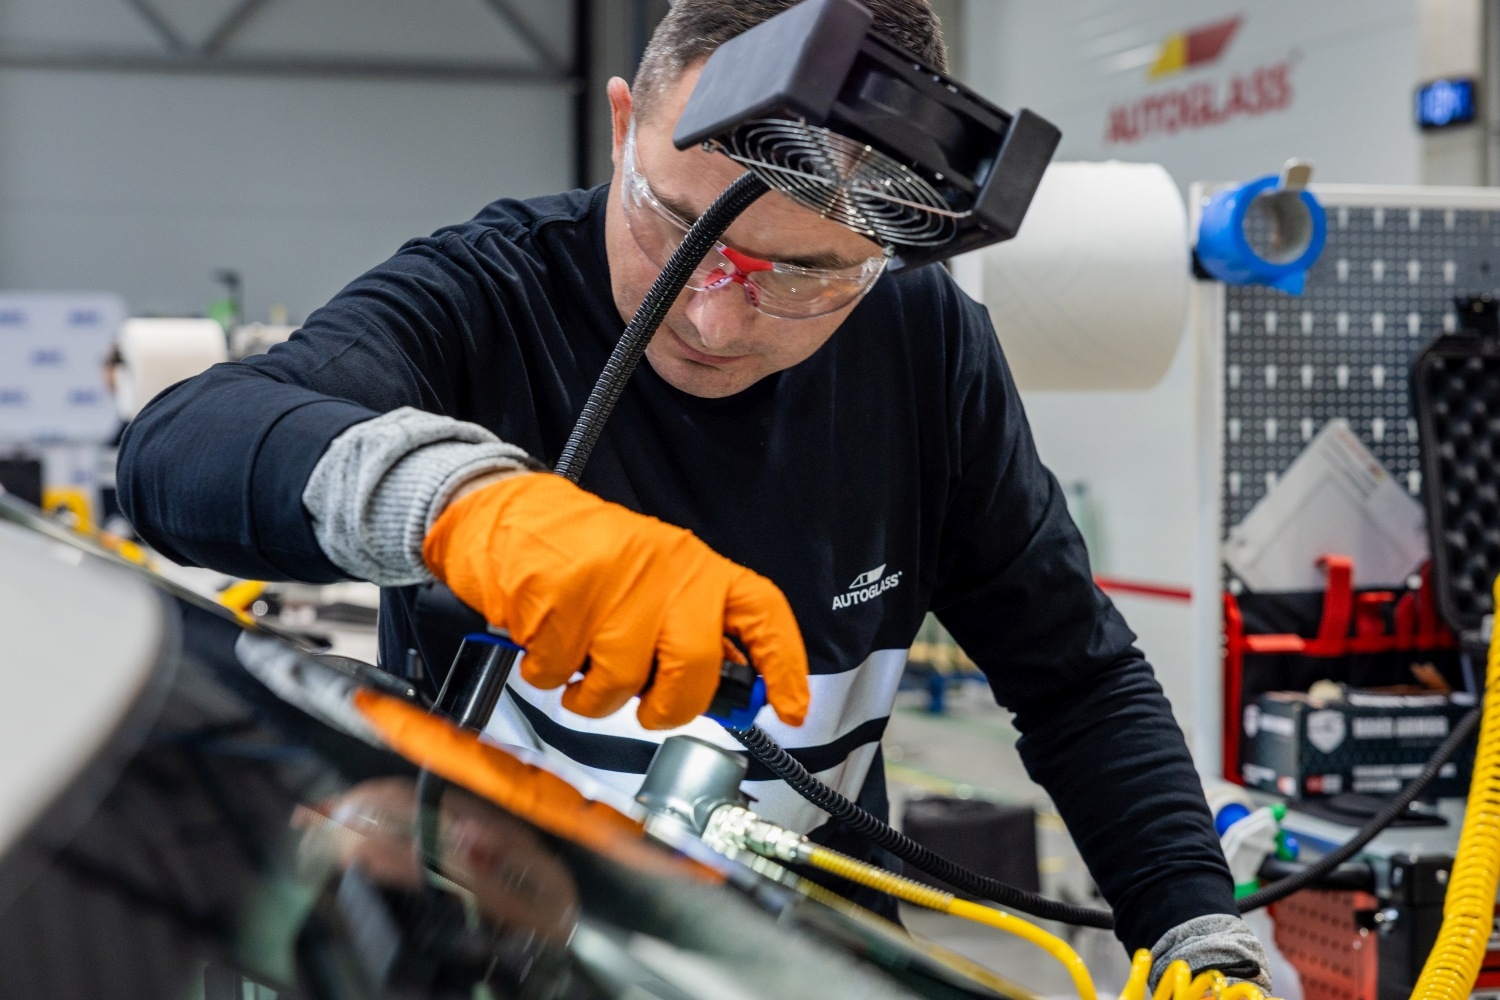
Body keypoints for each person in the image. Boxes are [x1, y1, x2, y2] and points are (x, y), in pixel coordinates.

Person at [118, 0, 1269, 985]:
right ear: (623, 125)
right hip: (488, 939)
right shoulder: (490, 295)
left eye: (803, 274)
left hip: (798, 955)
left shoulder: (927, 352)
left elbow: (1076, 678)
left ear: (889, 248)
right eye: (677, 225)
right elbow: (181, 447)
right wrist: (468, 506)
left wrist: (1198, 933)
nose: (714, 319)